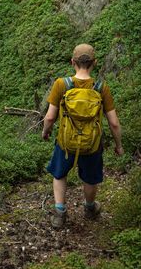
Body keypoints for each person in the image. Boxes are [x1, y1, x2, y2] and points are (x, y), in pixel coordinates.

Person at [41, 43, 124, 228]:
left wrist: (45, 132)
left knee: (59, 174)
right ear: (94, 63)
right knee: (90, 178)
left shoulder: (62, 84)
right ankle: (89, 208)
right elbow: (114, 122)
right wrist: (119, 145)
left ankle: (60, 212)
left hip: (66, 142)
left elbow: (49, 117)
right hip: (92, 144)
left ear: (73, 62)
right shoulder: (101, 87)